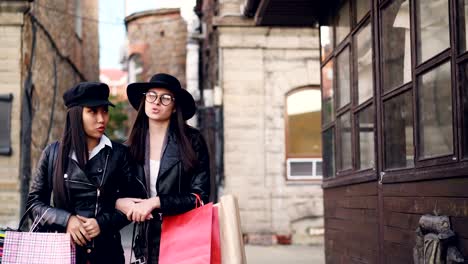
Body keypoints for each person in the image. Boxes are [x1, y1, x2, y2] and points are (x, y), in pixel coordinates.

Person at [26, 82, 132, 264]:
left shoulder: (118, 154)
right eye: (93, 111)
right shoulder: (53, 153)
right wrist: (66, 220)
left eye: (105, 111)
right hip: (61, 253)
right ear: (76, 115)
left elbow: (132, 203)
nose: (102, 119)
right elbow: (34, 204)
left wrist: (102, 223)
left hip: (107, 254)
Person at [116, 73, 210, 263]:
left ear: (175, 107)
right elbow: (115, 191)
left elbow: (200, 197)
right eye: (151, 95)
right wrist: (118, 203)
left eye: (165, 98)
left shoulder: (193, 141)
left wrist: (157, 202)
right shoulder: (129, 148)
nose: (156, 102)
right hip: (145, 239)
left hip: (184, 236)